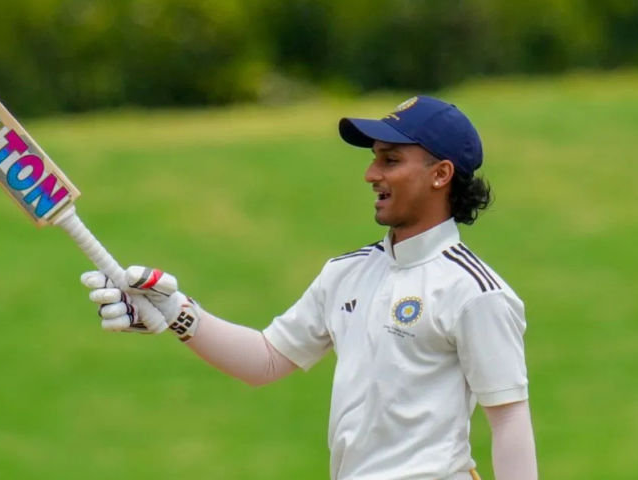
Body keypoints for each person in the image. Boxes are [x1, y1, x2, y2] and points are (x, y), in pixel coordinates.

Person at [80, 96, 539, 480]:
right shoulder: (346, 273)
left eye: (391, 160)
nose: (371, 174)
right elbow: (265, 360)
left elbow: (509, 418)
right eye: (374, 158)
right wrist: (177, 311)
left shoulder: (476, 292)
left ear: (441, 174)